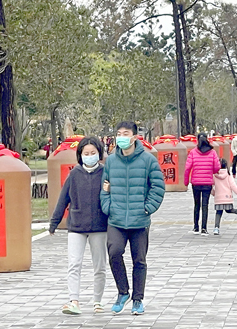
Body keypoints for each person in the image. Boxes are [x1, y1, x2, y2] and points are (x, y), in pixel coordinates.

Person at [100, 121, 165, 316]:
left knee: (139, 260)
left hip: (139, 220)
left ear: (135, 137)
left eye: (126, 133)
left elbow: (158, 187)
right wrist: (108, 207)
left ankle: (138, 299)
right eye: (119, 133)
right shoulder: (111, 161)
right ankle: (122, 292)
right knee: (114, 253)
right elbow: (104, 187)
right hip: (116, 219)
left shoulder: (148, 160)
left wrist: (147, 208)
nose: (121, 137)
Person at [50, 136, 108, 315]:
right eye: (86, 153)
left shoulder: (105, 173)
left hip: (100, 227)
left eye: (93, 153)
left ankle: (97, 301)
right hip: (76, 226)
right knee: (74, 264)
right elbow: (63, 199)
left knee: (100, 267)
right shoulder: (74, 174)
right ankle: (73, 300)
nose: (89, 156)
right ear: (80, 155)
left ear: (99, 154)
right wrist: (54, 222)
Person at [184, 133, 221, 236]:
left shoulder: (193, 152)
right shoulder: (212, 152)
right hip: (207, 183)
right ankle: (204, 228)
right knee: (205, 205)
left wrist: (186, 182)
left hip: (196, 182)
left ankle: (196, 227)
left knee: (196, 204)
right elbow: (217, 167)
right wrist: (211, 171)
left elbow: (187, 168)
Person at [211, 158, 237, 235]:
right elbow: (233, 185)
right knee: (229, 210)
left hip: (218, 197)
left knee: (218, 212)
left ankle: (216, 228)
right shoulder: (228, 175)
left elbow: (211, 185)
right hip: (227, 196)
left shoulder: (214, 175)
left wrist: (213, 193)